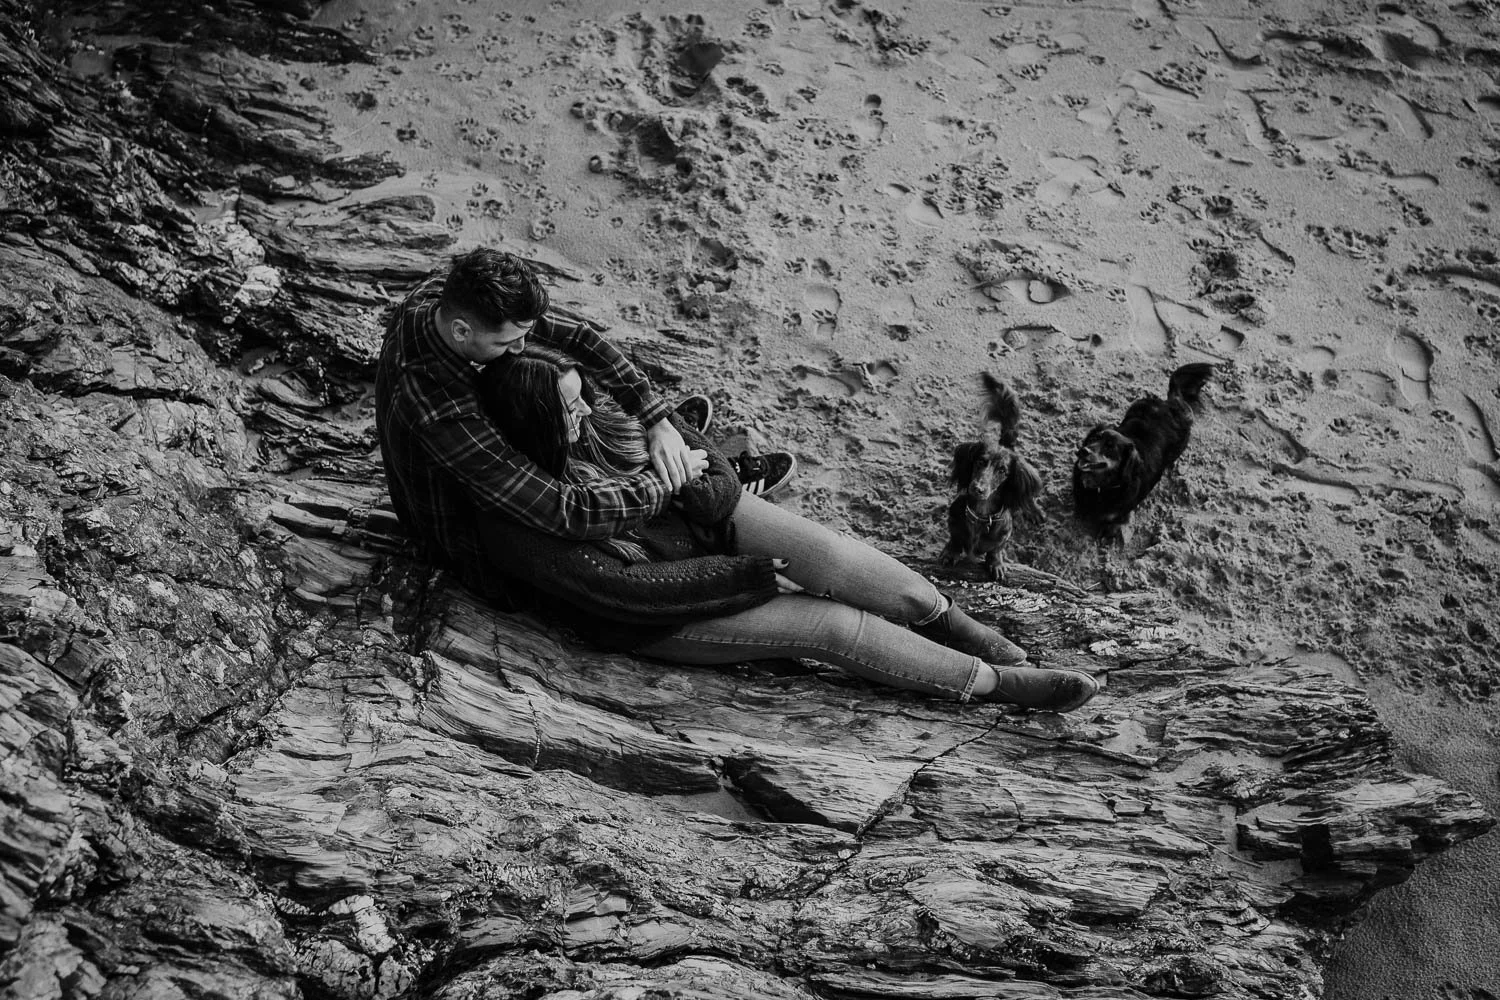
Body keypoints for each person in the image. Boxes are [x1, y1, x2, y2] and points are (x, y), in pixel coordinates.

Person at [473, 345, 1100, 713]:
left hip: (708, 536)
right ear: (534, 425)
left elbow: (717, 483)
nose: (585, 410)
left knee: (826, 554)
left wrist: (692, 479)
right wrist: (744, 577)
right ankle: (994, 685)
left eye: (583, 396)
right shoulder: (522, 516)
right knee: (826, 625)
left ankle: (952, 622)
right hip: (656, 615)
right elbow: (625, 592)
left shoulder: (606, 426)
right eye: (569, 407)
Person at [374, 248, 793, 603]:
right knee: (548, 397)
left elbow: (577, 338)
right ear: (462, 330)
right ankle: (671, 472)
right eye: (506, 342)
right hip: (475, 534)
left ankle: (658, 451)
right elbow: (567, 511)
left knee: (561, 380)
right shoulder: (438, 409)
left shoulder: (439, 299)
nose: (519, 347)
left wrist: (655, 418)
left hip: (484, 466)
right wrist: (662, 483)